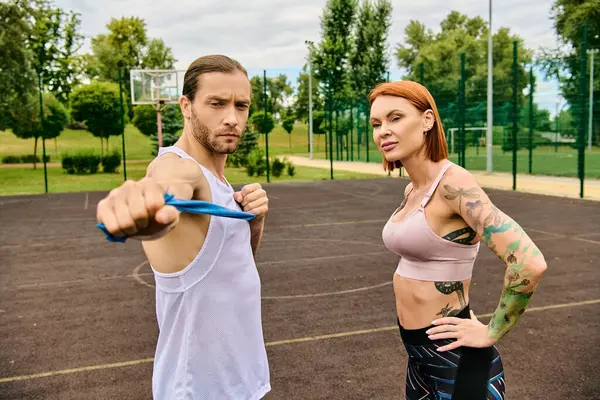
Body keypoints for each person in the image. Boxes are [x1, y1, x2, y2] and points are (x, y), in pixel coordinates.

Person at [96, 55, 270, 400]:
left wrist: (255, 222)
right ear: (186, 106)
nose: (232, 118)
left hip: (241, 383)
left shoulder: (221, 184)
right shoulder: (180, 168)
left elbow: (232, 268)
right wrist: (148, 206)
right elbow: (168, 187)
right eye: (217, 104)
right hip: (197, 390)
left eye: (242, 105)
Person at [368, 80, 548, 399]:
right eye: (376, 123)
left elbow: (529, 261)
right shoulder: (412, 190)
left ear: (427, 120)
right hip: (421, 360)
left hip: (458, 363)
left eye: (395, 118)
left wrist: (491, 331)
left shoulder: (453, 184)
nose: (383, 130)